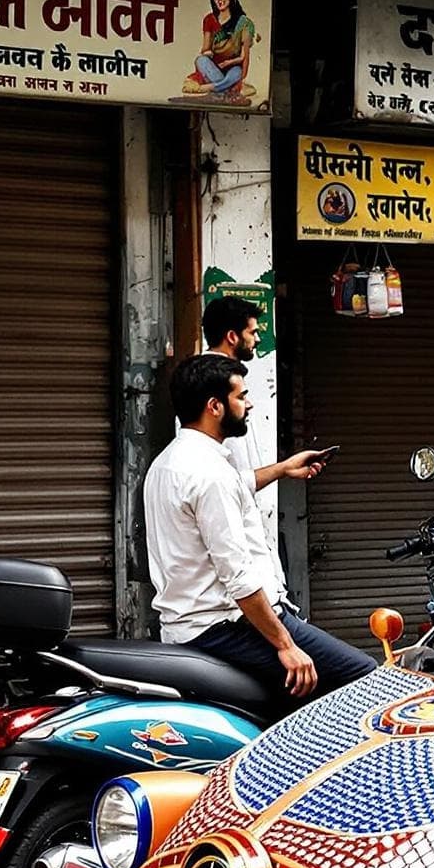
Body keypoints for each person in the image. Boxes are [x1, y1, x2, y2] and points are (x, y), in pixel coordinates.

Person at [144, 354, 375, 700]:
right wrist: (286, 645)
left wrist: (283, 468)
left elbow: (237, 486)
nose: (249, 404)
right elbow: (237, 575)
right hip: (225, 627)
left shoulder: (168, 464)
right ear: (215, 407)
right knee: (365, 675)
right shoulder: (210, 475)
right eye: (241, 396)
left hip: (186, 626)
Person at [200, 294, 327, 554]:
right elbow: (231, 478)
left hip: (241, 519)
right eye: (253, 332)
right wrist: (283, 469)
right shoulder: (208, 386)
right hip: (228, 528)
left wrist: (284, 469)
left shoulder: (227, 381)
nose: (258, 339)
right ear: (232, 336)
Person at [180, 0, 257, 102]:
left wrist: (229, 63)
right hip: (214, 67)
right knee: (201, 60)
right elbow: (205, 49)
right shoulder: (209, 19)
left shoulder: (243, 23)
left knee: (237, 73)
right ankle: (226, 89)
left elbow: (244, 57)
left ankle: (208, 88)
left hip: (232, 68)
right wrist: (208, 53)